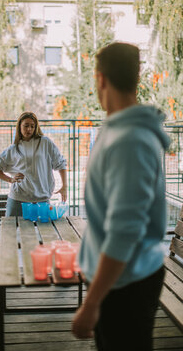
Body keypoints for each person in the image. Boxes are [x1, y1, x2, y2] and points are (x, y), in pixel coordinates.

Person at [72, 42, 170, 351]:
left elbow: (124, 233)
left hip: (126, 285)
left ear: (101, 79)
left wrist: (90, 303)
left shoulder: (129, 141)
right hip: (120, 280)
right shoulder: (119, 131)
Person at [0, 112, 67, 282]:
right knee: (7, 235)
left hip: (41, 199)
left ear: (36, 127)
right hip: (17, 198)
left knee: (49, 236)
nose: (29, 129)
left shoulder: (45, 143)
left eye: (32, 125)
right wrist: (10, 179)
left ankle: (56, 272)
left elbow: (61, 163)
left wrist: (64, 187)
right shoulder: (14, 148)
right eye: (26, 125)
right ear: (19, 127)